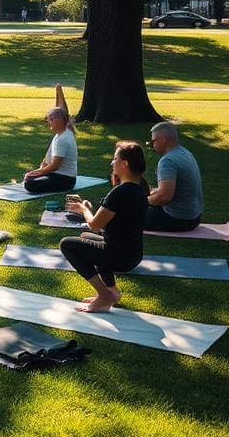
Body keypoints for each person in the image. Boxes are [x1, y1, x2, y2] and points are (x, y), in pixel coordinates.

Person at [60, 141, 149, 312]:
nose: (112, 163)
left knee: (67, 244)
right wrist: (89, 210)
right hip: (132, 253)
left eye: (115, 159)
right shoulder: (140, 188)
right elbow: (110, 220)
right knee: (86, 238)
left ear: (125, 164)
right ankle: (112, 291)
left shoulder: (120, 192)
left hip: (120, 256)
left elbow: (94, 224)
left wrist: (84, 209)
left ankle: (104, 294)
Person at [146, 121, 203, 232]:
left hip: (176, 219)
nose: (152, 144)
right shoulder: (185, 153)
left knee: (127, 212)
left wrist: (144, 200)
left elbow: (165, 197)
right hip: (194, 218)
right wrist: (153, 192)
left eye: (153, 141)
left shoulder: (168, 160)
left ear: (163, 140)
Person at [23, 105, 77, 193]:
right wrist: (36, 171)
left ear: (58, 120)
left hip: (65, 180)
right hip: (57, 175)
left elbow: (55, 166)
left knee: (30, 184)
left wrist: (35, 173)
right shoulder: (62, 133)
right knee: (29, 175)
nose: (49, 122)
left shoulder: (62, 139)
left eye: (51, 119)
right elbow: (47, 159)